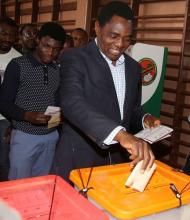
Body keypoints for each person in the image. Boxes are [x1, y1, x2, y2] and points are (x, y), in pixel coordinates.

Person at [52, 1, 160, 182]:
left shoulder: (133, 68)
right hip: (79, 158)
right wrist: (121, 135)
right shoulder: (75, 58)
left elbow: (130, 109)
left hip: (117, 160)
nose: (120, 44)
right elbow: (72, 102)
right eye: (114, 36)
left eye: (127, 38)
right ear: (97, 27)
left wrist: (144, 118)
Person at [0, 22, 66, 180]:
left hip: (50, 137)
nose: (50, 53)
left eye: (56, 49)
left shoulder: (57, 69)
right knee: (19, 184)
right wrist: (26, 115)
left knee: (41, 183)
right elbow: (4, 102)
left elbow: (56, 101)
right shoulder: (18, 65)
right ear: (37, 40)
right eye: (46, 46)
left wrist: (58, 120)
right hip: (25, 136)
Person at [0, 17, 21, 181]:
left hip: (5, 122)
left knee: (4, 164)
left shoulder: (19, 61)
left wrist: (13, 125)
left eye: (11, 35)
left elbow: (21, 97)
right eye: (3, 33)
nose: (7, 38)